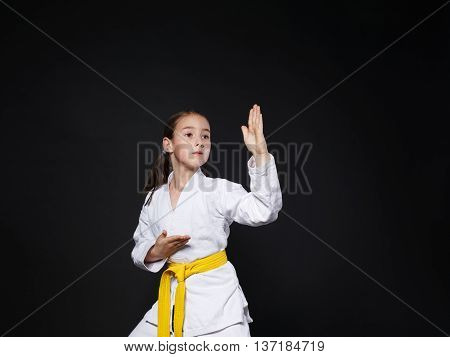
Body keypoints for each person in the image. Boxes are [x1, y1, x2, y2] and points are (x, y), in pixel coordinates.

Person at [128, 104, 282, 337]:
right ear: (167, 144)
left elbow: (264, 209)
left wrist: (260, 154)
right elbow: (140, 243)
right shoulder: (154, 197)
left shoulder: (218, 191)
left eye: (205, 136)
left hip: (219, 307)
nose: (199, 141)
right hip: (170, 300)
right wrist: (155, 251)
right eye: (189, 134)